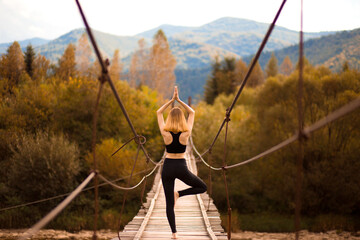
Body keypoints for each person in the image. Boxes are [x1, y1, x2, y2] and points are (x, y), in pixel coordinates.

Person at [157, 86, 207, 239]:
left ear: (170, 119)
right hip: (181, 167)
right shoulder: (186, 133)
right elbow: (192, 112)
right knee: (202, 187)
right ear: (182, 119)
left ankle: (174, 233)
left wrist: (171, 101)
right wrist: (179, 100)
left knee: (168, 203)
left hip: (167, 167)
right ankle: (179, 194)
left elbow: (159, 113)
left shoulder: (165, 133)